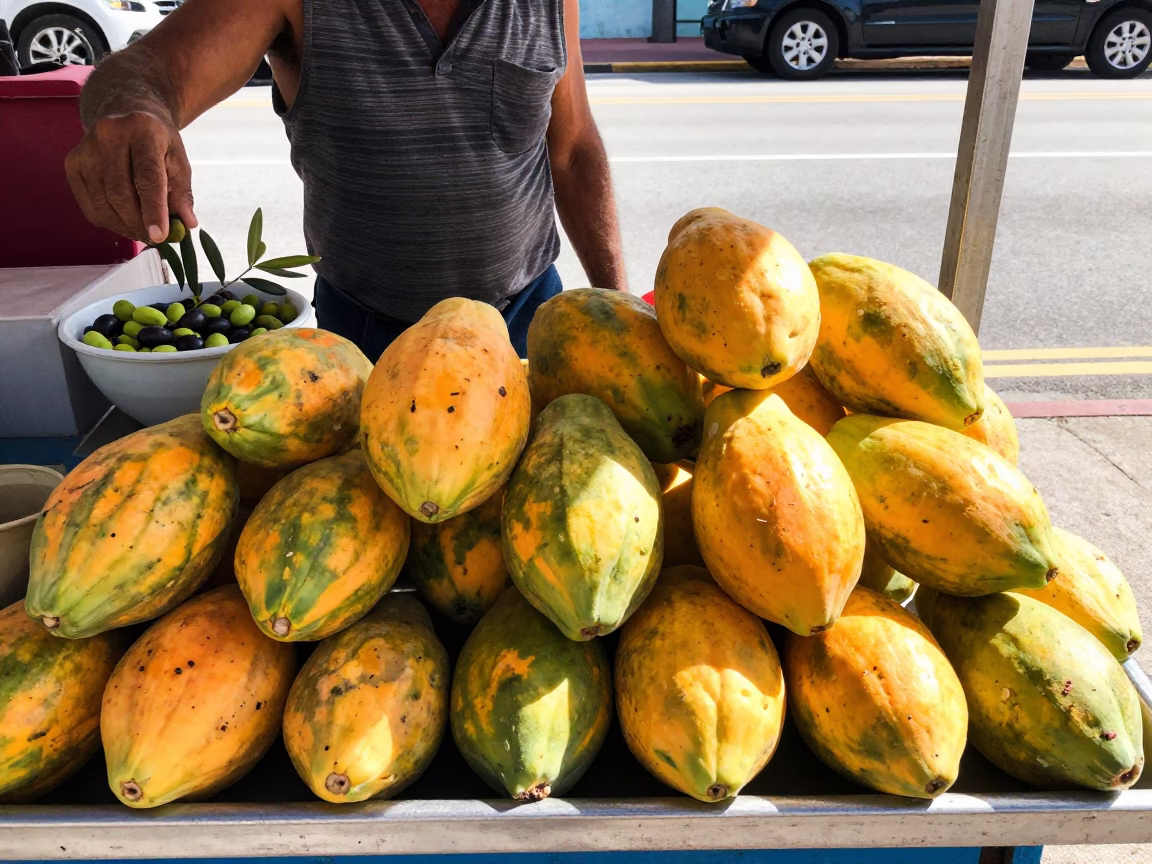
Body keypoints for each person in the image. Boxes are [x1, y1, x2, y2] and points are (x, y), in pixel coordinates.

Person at [64, 0, 625, 358]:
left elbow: (573, 149)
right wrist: (133, 110)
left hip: (525, 318)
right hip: (366, 337)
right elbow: (150, 70)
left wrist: (619, 305)